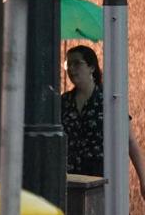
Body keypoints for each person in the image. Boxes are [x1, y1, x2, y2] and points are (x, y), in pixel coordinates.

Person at [62, 44, 145, 195]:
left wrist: (143, 178)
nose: (71, 69)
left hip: (102, 180)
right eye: (68, 64)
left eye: (77, 63)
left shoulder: (108, 101)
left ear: (92, 68)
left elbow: (131, 141)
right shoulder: (63, 102)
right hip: (71, 181)